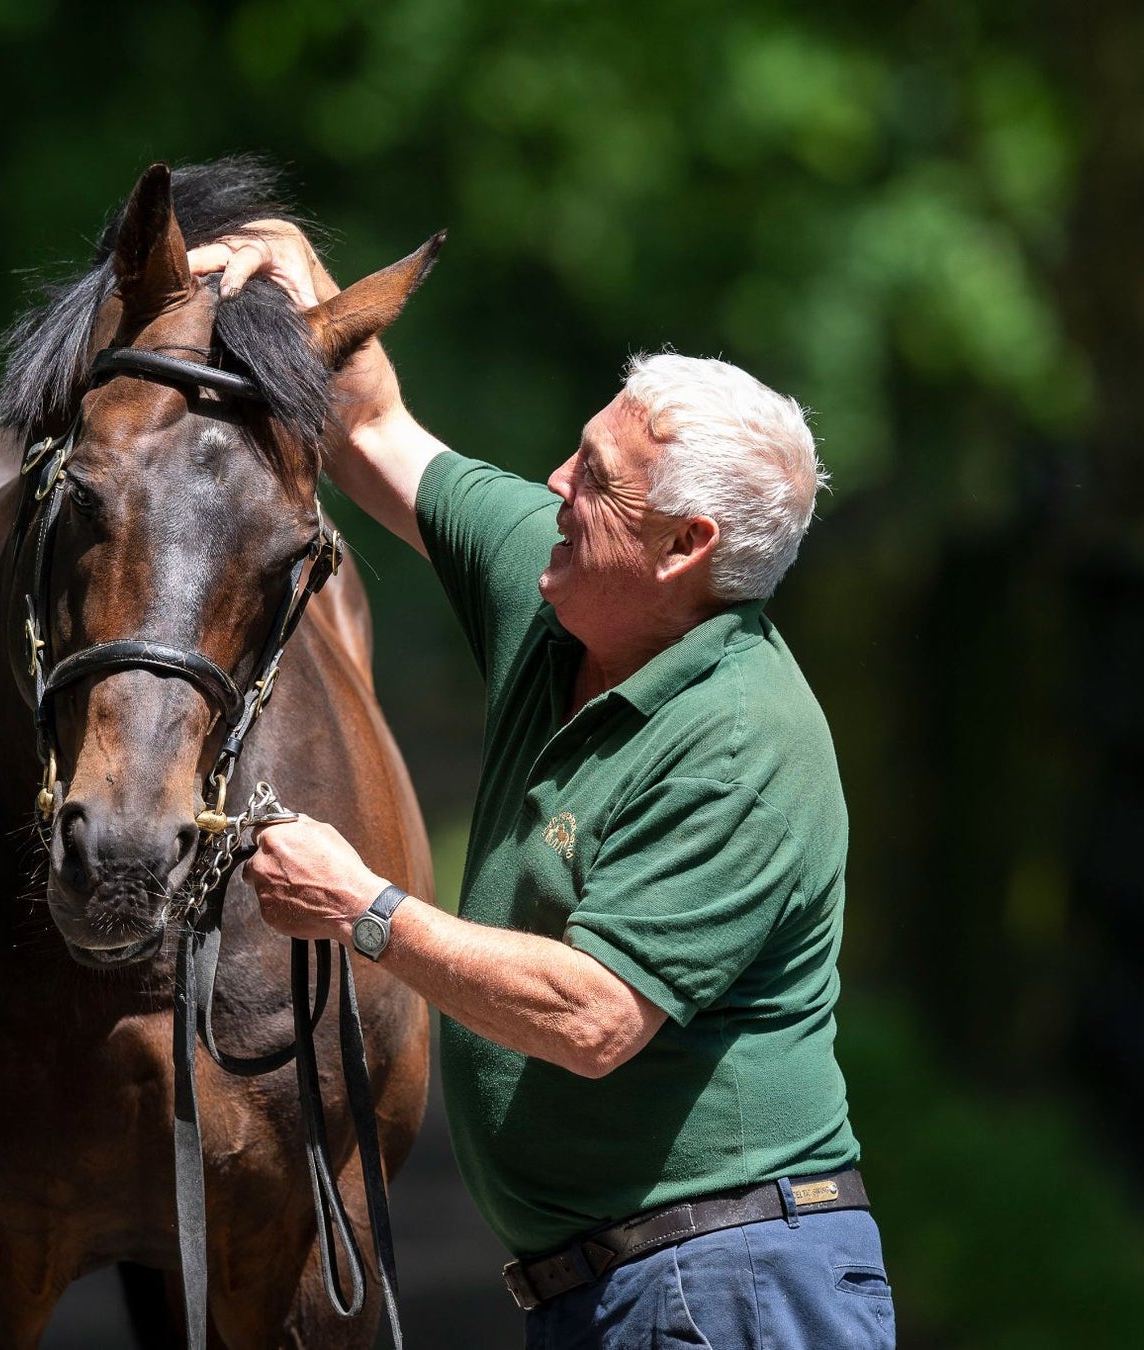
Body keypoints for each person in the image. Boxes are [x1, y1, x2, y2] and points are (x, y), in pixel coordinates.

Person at [187, 226, 893, 1349]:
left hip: (731, 1285)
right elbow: (372, 428)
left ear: (684, 545)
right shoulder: (566, 580)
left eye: (596, 481)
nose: (556, 485)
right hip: (620, 1285)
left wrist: (365, 911)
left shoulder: (741, 740)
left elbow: (596, 1015)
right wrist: (302, 275)